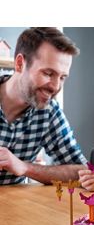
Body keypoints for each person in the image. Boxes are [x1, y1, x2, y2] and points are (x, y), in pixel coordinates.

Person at [0, 27, 87, 185]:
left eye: (62, 77)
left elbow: (82, 171)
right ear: (20, 64)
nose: (55, 87)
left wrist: (25, 168)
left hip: (15, 207)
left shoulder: (49, 111)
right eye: (48, 73)